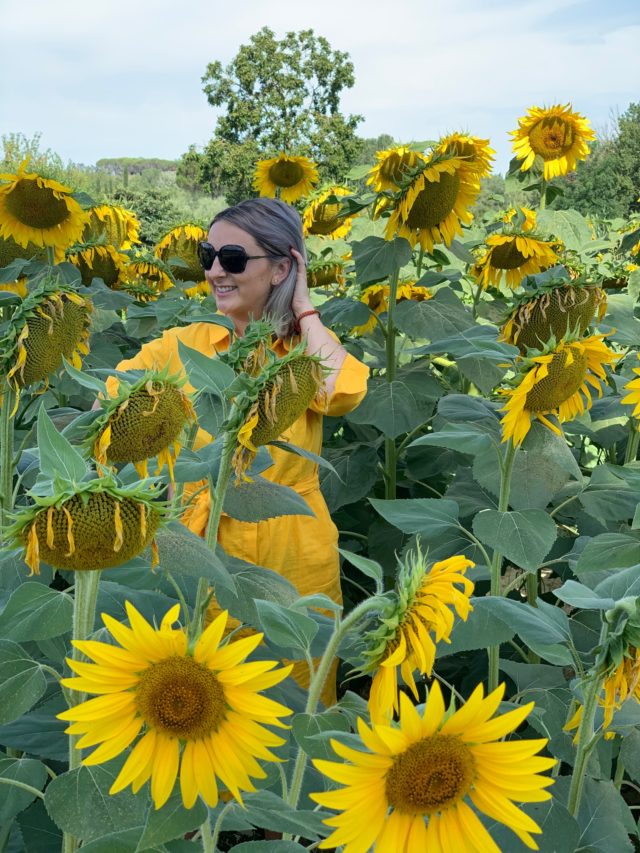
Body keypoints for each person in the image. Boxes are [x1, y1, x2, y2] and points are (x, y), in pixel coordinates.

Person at [114, 198, 369, 705]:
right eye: (208, 255)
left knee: (297, 700)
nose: (213, 271)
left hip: (289, 549)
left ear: (281, 268)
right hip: (197, 543)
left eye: (232, 259)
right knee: (196, 698)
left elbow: (345, 391)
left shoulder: (302, 351)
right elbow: (111, 409)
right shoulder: (186, 345)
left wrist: (304, 309)